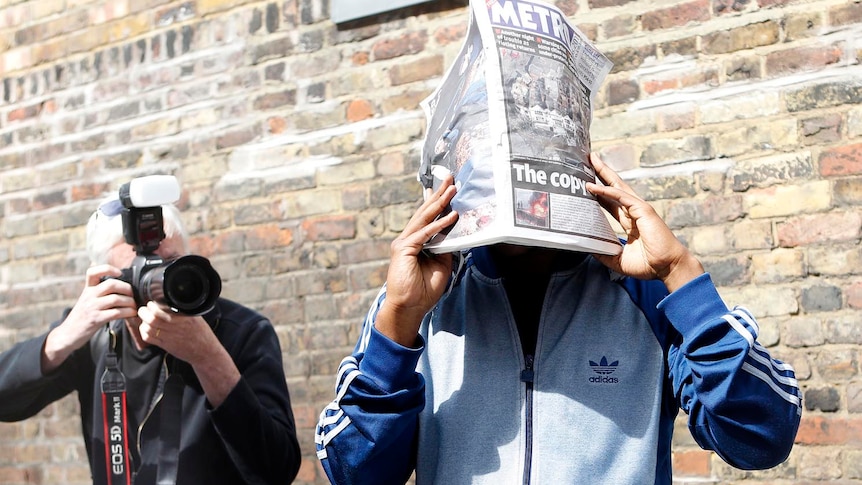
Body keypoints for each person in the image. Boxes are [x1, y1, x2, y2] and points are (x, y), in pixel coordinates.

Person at [315, 155, 802, 484]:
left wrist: (681, 274)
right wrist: (398, 322)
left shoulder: (649, 294)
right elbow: (352, 471)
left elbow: (760, 439)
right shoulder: (417, 301)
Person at [0, 190, 302, 485]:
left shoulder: (241, 331)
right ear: (105, 280)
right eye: (140, 270)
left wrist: (208, 356)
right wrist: (63, 337)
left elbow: (276, 470)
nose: (160, 282)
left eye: (171, 263)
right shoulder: (95, 334)